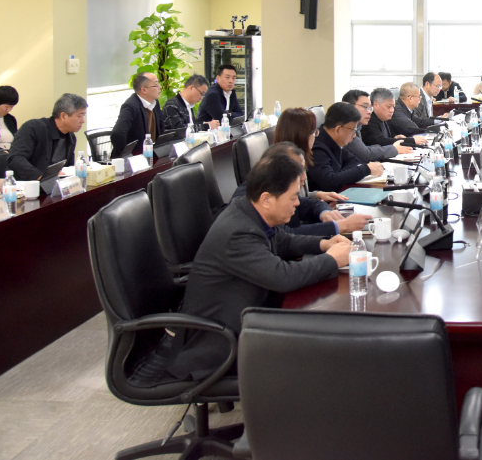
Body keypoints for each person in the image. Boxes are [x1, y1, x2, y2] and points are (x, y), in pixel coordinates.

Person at [163, 151, 351, 381]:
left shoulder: (249, 212)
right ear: (266, 199)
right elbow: (282, 277)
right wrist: (332, 259)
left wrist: (324, 244)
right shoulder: (238, 232)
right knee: (319, 354)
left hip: (248, 318)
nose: (297, 203)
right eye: (293, 197)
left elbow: (284, 241)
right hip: (221, 346)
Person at [228, 142, 370, 237]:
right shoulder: (249, 198)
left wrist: (325, 213)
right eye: (297, 170)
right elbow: (287, 235)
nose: (304, 177)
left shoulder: (278, 188)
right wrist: (340, 226)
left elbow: (308, 204)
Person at [7, 94, 87, 180]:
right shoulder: (33, 128)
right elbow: (15, 159)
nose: (83, 121)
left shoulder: (71, 137)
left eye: (83, 116)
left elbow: (68, 167)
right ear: (63, 116)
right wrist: (40, 176)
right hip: (29, 184)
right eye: (80, 116)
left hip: (55, 184)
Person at [309, 102, 383, 192]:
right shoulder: (317, 148)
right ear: (338, 129)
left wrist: (339, 175)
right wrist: (366, 169)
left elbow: (354, 161)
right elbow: (329, 183)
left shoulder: (334, 141)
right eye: (353, 130)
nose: (354, 135)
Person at [341, 89, 411, 163]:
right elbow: (365, 154)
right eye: (365, 107)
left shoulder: (358, 126)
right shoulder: (345, 128)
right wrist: (394, 148)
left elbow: (364, 150)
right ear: (349, 107)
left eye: (369, 108)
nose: (369, 112)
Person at [110, 72, 165, 155]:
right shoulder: (130, 106)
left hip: (151, 154)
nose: (160, 87)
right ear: (144, 90)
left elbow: (161, 129)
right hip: (135, 157)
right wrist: (127, 155)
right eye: (156, 85)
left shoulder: (154, 103)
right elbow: (117, 134)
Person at [0, 86, 20, 151]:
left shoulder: (11, 119)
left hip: (11, 152)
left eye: (12, 106)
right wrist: (2, 151)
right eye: (6, 107)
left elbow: (16, 140)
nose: (9, 110)